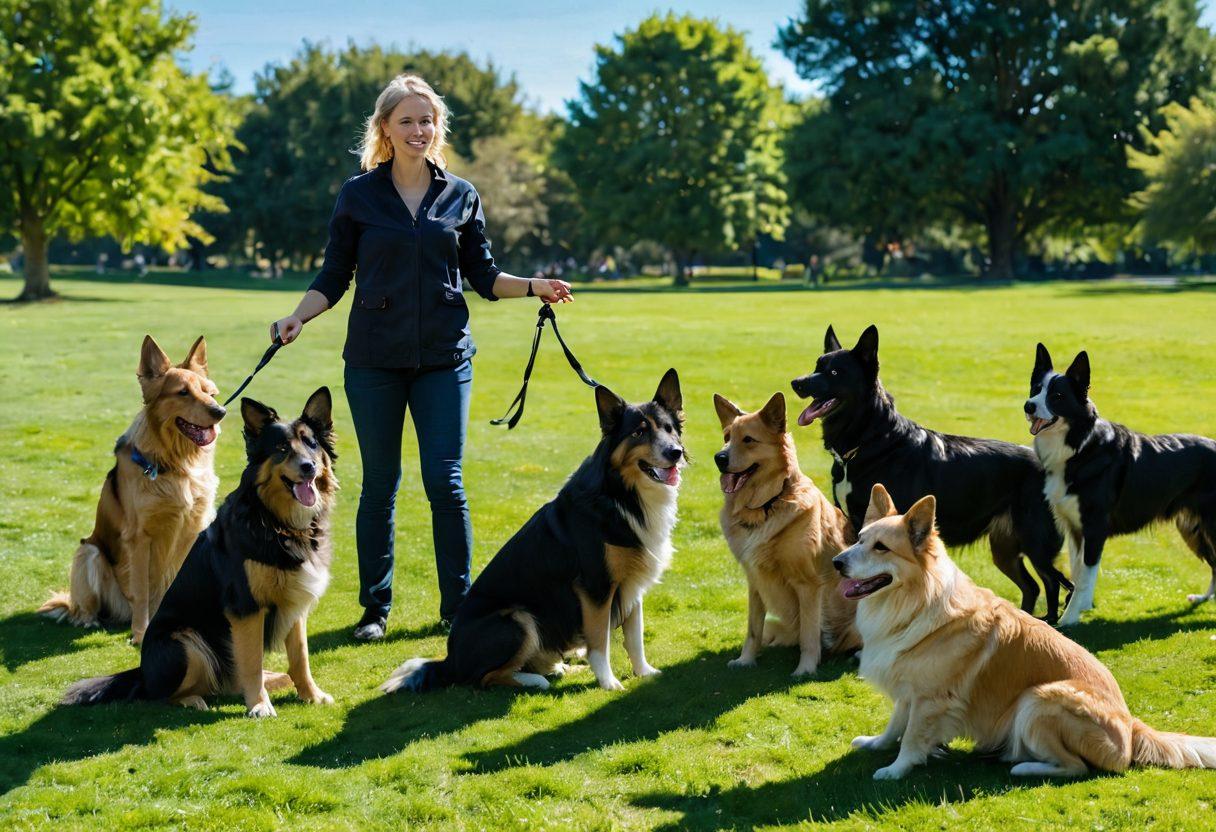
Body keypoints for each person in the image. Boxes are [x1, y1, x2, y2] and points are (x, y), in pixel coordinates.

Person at [270, 75, 573, 641]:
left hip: (444, 358)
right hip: (374, 361)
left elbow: (484, 276)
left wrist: (535, 285)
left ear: (438, 128)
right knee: (380, 482)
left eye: (427, 120)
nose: (418, 130)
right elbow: (335, 275)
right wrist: (297, 316)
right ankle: (374, 611)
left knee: (446, 480)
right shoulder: (358, 195)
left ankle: (458, 608)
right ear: (385, 128)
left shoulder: (461, 195)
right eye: (406, 120)